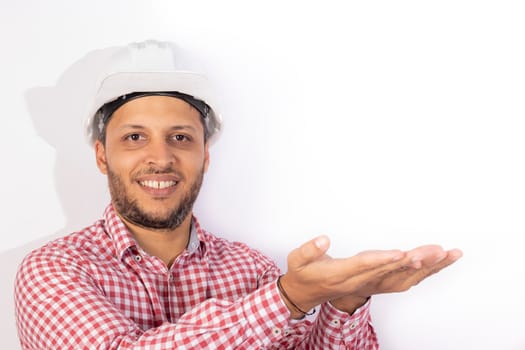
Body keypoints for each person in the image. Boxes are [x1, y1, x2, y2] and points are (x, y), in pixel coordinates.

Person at [14, 40, 462, 349]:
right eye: (134, 138)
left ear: (204, 156)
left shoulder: (252, 270)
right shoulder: (53, 269)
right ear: (101, 156)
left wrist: (344, 302)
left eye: (180, 137)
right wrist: (287, 298)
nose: (160, 157)